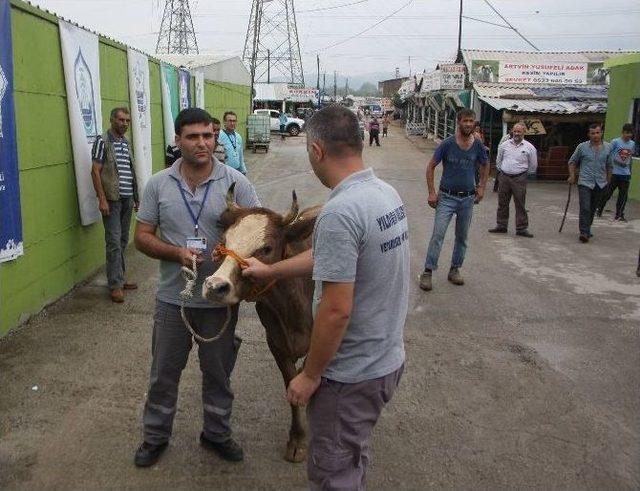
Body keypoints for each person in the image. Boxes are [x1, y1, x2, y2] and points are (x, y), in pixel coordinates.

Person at [241, 104, 408, 489]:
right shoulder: (384, 194)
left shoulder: (339, 212)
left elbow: (335, 311)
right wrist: (271, 270)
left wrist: (309, 374)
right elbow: (333, 258)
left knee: (333, 473)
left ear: (316, 151)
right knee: (352, 452)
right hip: (385, 359)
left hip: (350, 373)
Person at [133, 107, 260, 467]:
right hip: (174, 300)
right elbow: (141, 237)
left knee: (218, 376)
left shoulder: (237, 183)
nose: (202, 143)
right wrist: (174, 252)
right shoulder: (159, 184)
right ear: (178, 140)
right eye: (193, 136)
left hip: (220, 303)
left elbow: (259, 232)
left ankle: (216, 434)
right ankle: (155, 437)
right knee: (163, 375)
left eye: (208, 135)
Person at [419, 109, 489, 292]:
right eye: (465, 120)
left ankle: (455, 269)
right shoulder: (447, 144)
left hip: (467, 199)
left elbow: (485, 164)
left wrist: (481, 187)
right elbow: (431, 167)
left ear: (474, 123)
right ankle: (428, 271)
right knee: (438, 235)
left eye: (471, 121)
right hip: (446, 197)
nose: (468, 124)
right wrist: (432, 192)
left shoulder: (478, 146)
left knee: (462, 237)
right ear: (459, 122)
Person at [90, 107, 139, 303]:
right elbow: (95, 171)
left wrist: (136, 196)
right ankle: (115, 285)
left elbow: (130, 170)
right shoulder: (103, 141)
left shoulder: (125, 142)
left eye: (127, 120)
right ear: (111, 120)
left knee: (122, 241)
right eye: (121, 120)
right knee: (113, 242)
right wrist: (101, 198)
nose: (124, 123)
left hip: (127, 199)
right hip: (112, 199)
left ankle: (119, 277)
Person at [488, 122, 537, 237]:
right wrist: (503, 171)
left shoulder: (529, 147)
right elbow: (498, 161)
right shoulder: (504, 145)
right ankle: (501, 225)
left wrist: (523, 174)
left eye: (519, 131)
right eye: (515, 131)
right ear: (512, 131)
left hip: (520, 178)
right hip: (504, 177)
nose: (516, 134)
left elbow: (533, 165)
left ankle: (521, 228)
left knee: (520, 203)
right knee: (502, 202)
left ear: (524, 132)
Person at [567, 123, 612, 243]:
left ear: (601, 133)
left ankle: (587, 228)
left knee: (592, 208)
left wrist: (608, 181)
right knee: (585, 207)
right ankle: (584, 232)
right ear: (589, 134)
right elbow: (572, 162)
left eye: (597, 132)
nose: (595, 135)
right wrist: (572, 176)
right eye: (593, 133)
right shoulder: (582, 147)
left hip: (600, 183)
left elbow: (609, 165)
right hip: (585, 182)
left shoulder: (608, 147)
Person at [596, 123, 635, 221]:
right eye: (627, 133)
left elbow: (630, 159)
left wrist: (630, 171)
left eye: (630, 133)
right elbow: (607, 154)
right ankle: (599, 209)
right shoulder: (615, 142)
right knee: (607, 193)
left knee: (623, 196)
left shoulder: (632, 144)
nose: (629, 135)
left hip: (625, 174)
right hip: (614, 173)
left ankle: (619, 214)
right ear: (623, 132)